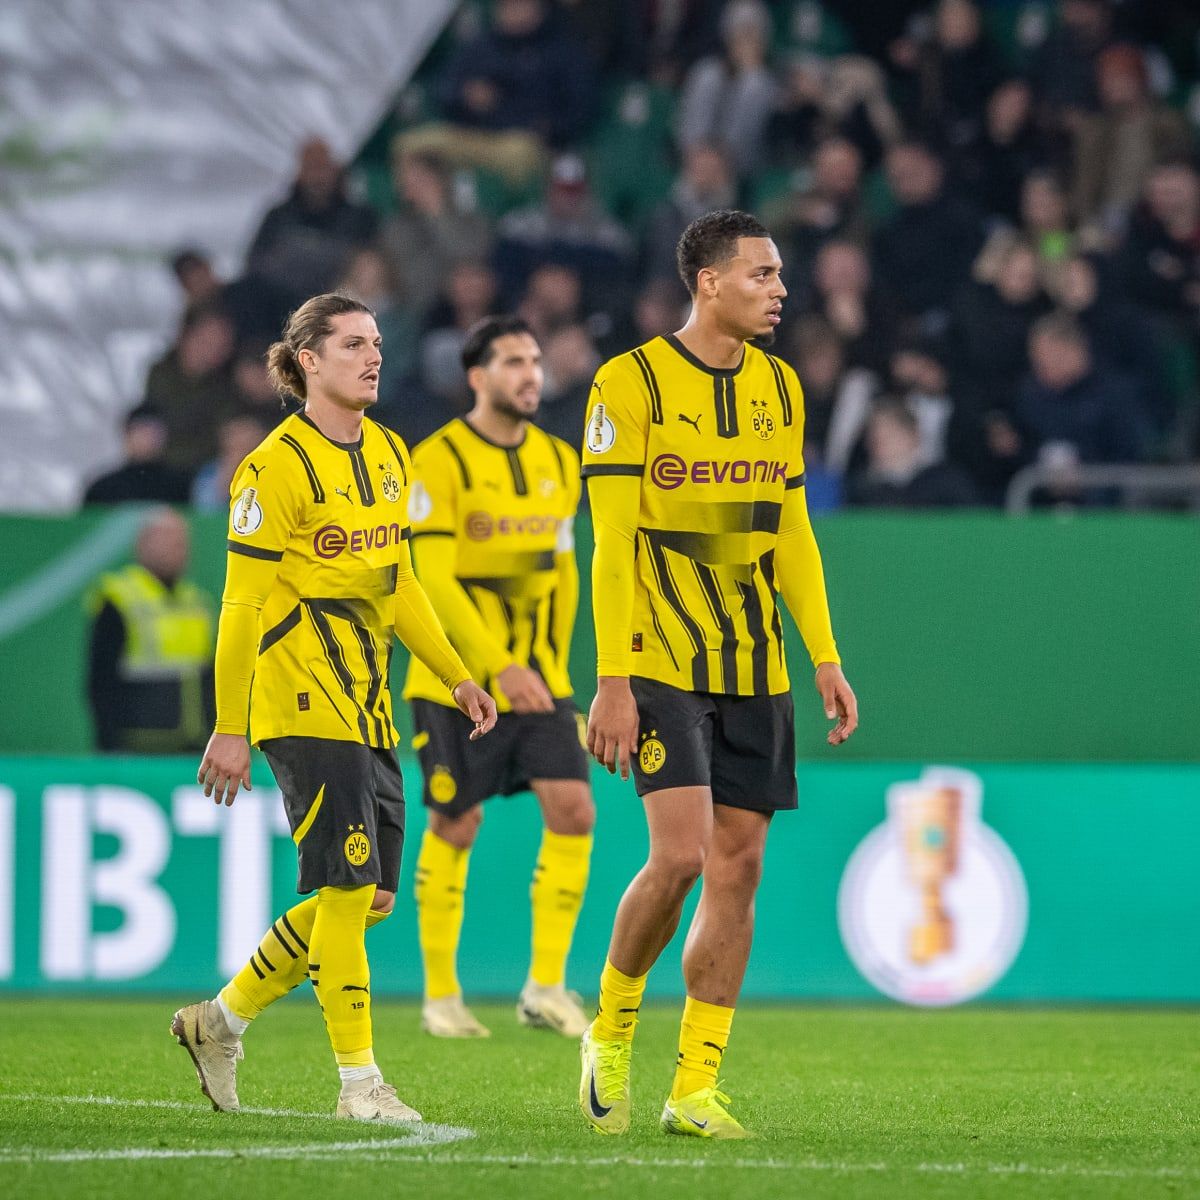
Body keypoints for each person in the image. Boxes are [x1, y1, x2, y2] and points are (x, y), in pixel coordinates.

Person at [170, 293, 497, 1122]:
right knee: (349, 891)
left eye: (378, 343)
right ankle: (360, 1085)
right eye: (353, 344)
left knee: (370, 897)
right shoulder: (272, 469)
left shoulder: (390, 453)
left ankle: (220, 1021)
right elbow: (240, 607)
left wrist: (457, 677)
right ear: (307, 360)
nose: (373, 356)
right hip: (298, 695)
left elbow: (402, 584)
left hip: (367, 701)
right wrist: (232, 725)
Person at [578, 210, 858, 1139]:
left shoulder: (781, 388)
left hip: (754, 666)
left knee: (739, 867)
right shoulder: (630, 384)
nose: (780, 290)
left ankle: (693, 1088)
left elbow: (792, 537)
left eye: (780, 277)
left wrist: (823, 654)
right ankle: (611, 1028)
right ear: (708, 281)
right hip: (657, 656)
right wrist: (611, 677)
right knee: (683, 855)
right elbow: (612, 542)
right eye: (763, 275)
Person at [403, 315, 594, 1040]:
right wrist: (496, 666)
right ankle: (441, 996)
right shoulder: (439, 460)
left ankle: (545, 985)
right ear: (477, 376)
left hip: (538, 680)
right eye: (513, 361)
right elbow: (435, 580)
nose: (531, 374)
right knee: (458, 821)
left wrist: (550, 667)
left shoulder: (558, 461)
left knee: (574, 809)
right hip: (454, 680)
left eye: (536, 361)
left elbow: (565, 572)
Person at [86, 507, 215, 752]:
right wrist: (109, 745)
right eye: (166, 538)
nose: (177, 548)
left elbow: (208, 679)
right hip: (137, 745)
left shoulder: (197, 601)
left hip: (193, 746)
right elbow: (100, 681)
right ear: (142, 544)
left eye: (182, 541)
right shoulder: (119, 598)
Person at [83, 403, 193, 505]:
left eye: (154, 431)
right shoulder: (103, 489)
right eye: (141, 431)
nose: (148, 438)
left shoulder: (180, 486)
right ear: (127, 435)